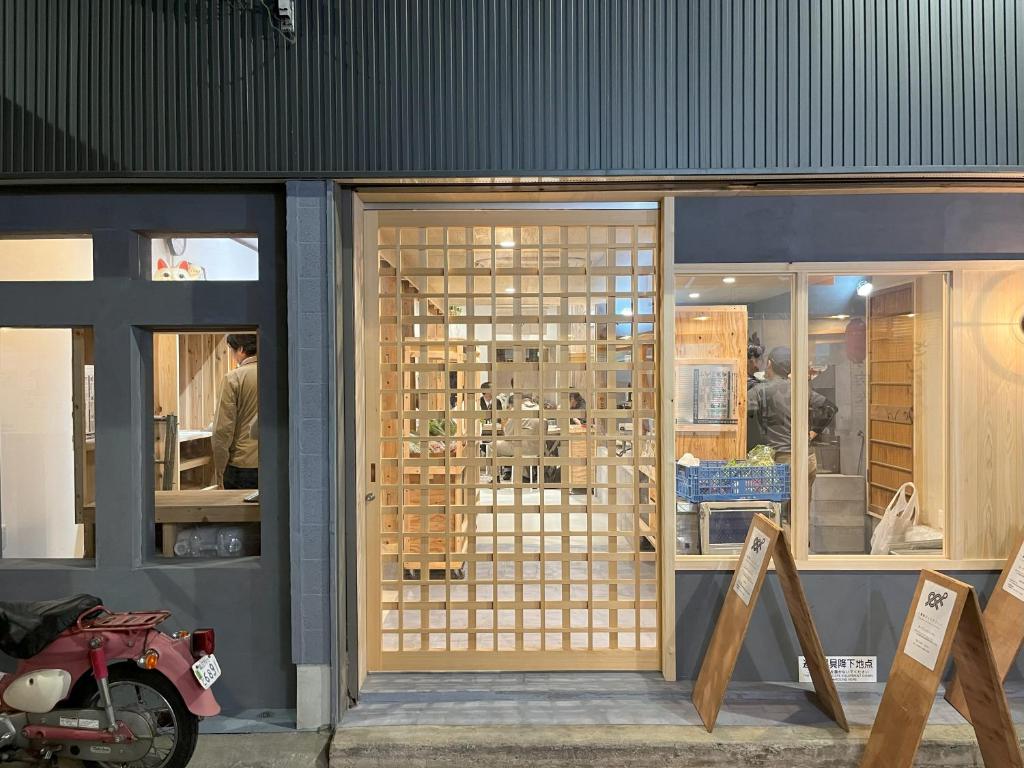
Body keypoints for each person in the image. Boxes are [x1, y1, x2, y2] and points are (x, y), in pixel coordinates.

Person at [748, 346, 837, 497]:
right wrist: (812, 433)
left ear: (769, 364)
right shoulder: (801, 389)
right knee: (799, 515)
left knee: (776, 513)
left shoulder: (760, 390)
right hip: (806, 458)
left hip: (780, 461)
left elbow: (744, 412)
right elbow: (829, 408)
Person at [212, 333, 259, 490]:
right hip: (274, 462)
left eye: (232, 351)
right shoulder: (275, 375)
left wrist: (220, 472)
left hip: (242, 465)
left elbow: (222, 429)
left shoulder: (233, 378)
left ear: (240, 349)